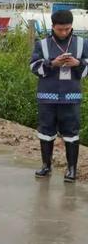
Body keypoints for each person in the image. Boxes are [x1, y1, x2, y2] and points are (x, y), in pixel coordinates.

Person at [30, 10, 88, 182]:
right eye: (60, 29)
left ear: (72, 27)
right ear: (53, 27)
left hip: (70, 97)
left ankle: (71, 169)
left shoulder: (81, 43)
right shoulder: (43, 44)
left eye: (67, 29)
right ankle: (46, 166)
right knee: (46, 132)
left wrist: (78, 64)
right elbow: (34, 67)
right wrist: (52, 64)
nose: (64, 32)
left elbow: (86, 68)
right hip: (47, 96)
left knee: (71, 132)